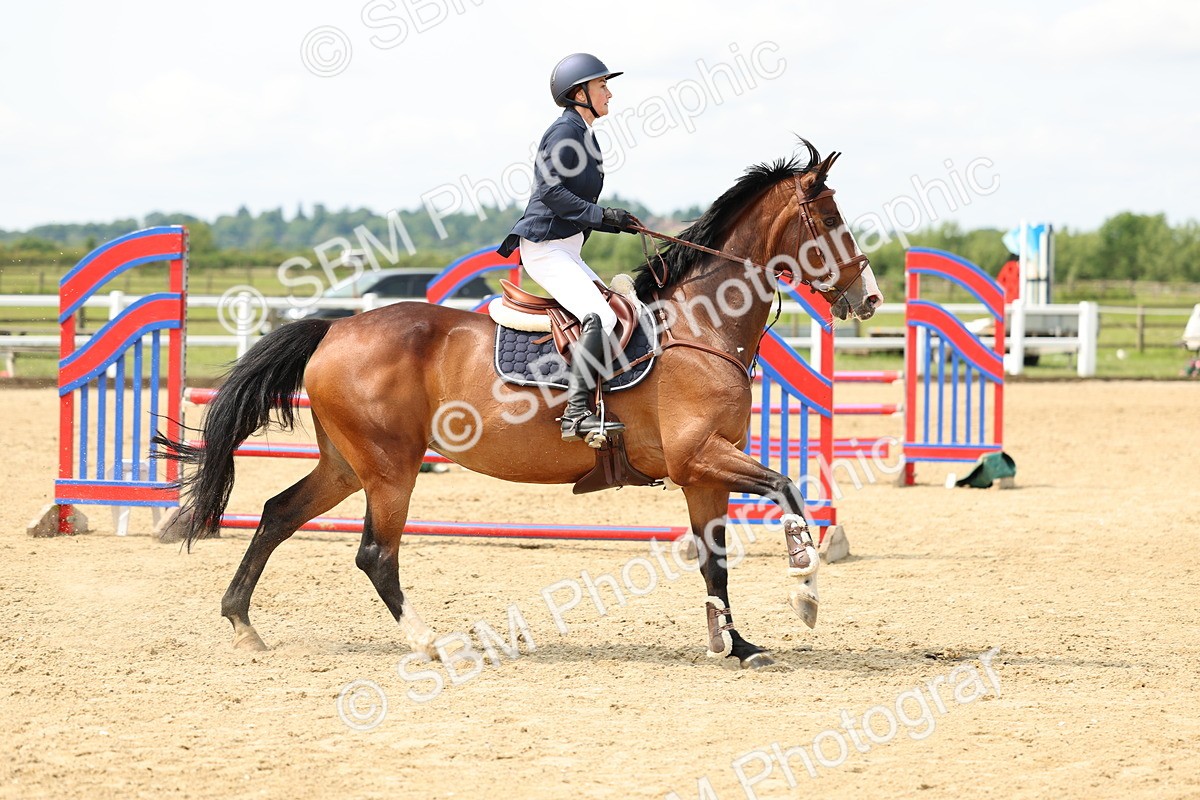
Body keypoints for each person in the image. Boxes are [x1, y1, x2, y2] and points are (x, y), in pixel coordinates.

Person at [498, 53, 642, 443]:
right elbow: (551, 192)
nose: (609, 93)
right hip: (546, 247)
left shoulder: (584, 134)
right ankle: (575, 414)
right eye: (602, 86)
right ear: (580, 93)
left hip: (567, 248)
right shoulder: (565, 133)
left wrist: (613, 222)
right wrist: (603, 216)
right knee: (602, 316)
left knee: (618, 308)